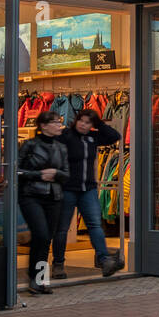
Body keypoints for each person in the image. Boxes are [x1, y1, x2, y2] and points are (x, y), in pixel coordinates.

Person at [54, 107, 125, 279]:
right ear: (76, 120)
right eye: (81, 121)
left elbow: (115, 136)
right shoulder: (66, 136)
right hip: (68, 189)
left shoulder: (92, 138)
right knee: (62, 229)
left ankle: (104, 260)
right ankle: (58, 264)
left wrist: (99, 123)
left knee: (95, 225)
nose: (84, 125)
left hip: (88, 189)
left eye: (88, 123)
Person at [18, 110, 69, 295]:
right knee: (40, 234)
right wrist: (39, 175)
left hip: (54, 197)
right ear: (43, 125)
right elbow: (16, 170)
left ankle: (39, 281)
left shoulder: (61, 148)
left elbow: (66, 174)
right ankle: (34, 277)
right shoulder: (29, 145)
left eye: (59, 122)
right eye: (55, 122)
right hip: (31, 195)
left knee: (46, 238)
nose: (59, 125)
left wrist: (55, 174)